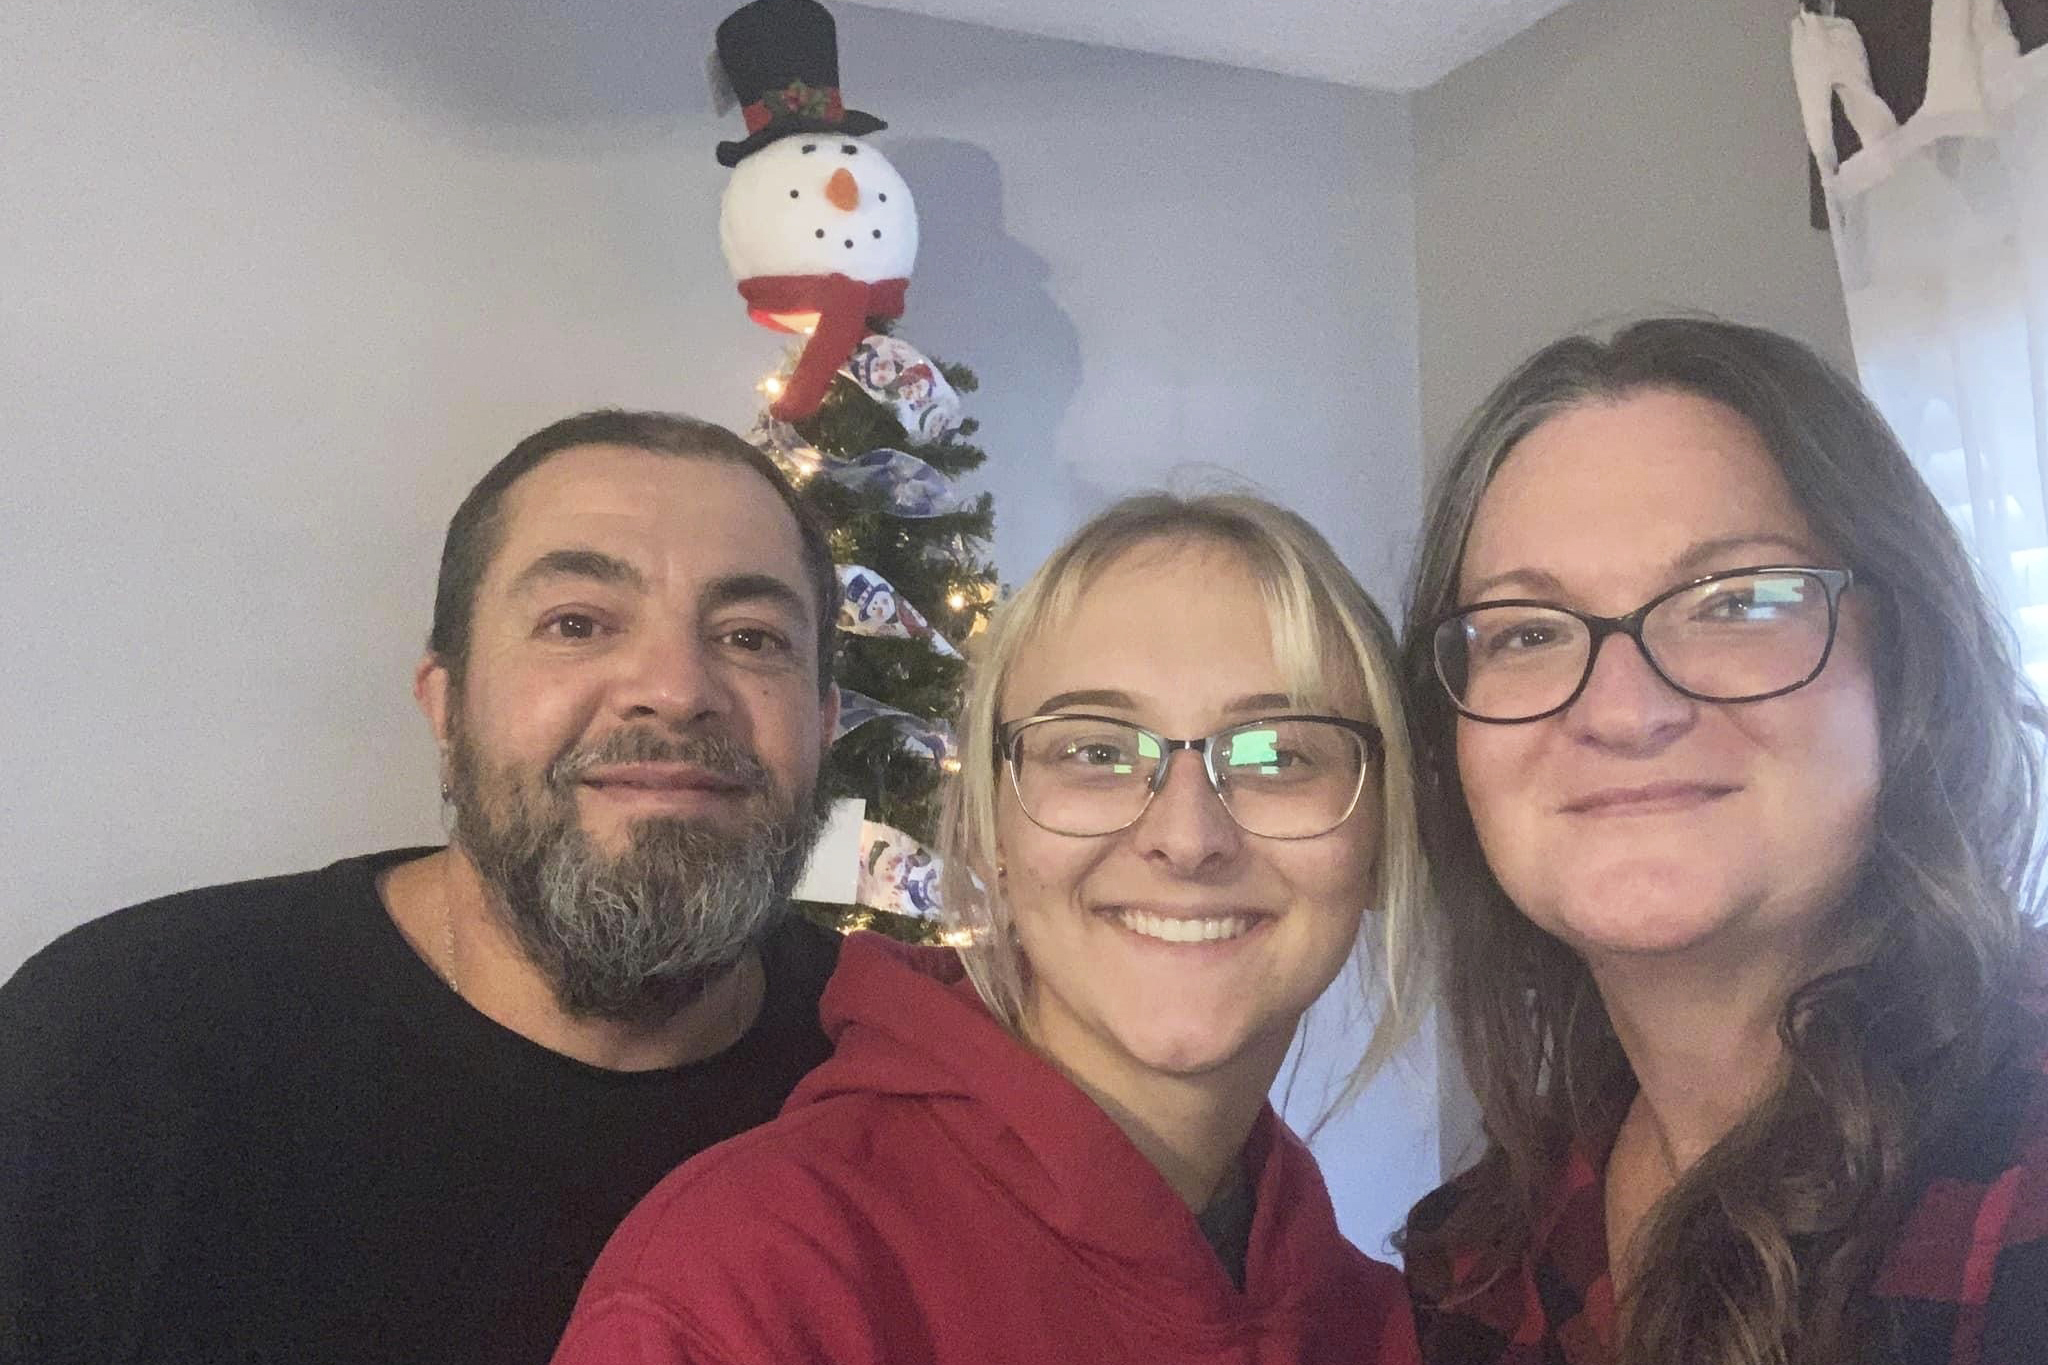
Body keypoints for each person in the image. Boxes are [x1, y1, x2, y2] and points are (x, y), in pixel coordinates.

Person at [0, 410, 847, 1365]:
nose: (675, 687)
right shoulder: (112, 1045)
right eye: (577, 623)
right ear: (446, 705)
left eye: (752, 636)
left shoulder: (895, 1069)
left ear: (822, 725)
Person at [551, 493, 1427, 1364]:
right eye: (1095, 751)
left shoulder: (1391, 1321)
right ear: (994, 833)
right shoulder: (754, 1286)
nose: (1188, 837)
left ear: (1382, 831)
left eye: (1278, 753)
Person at [1397, 318, 2048, 1365]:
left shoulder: (2017, 1195)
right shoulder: (1477, 1264)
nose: (1622, 709)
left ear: (1903, 666)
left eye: (1736, 601)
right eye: (1525, 631)